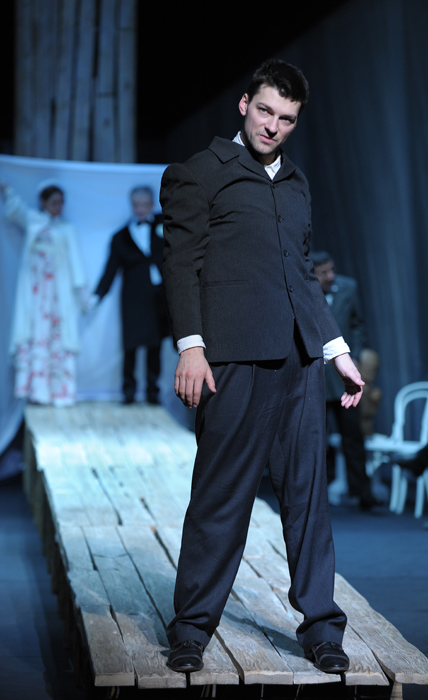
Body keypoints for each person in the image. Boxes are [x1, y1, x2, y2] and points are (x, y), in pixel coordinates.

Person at [160, 58, 365, 676]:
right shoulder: (200, 173)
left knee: (307, 500)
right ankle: (192, 627)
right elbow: (181, 264)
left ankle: (322, 627)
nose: (273, 126)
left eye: (287, 119)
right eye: (266, 111)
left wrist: (336, 351)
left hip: (299, 363)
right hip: (232, 361)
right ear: (245, 105)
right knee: (220, 496)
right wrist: (190, 346)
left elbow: (302, 275)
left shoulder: (296, 184)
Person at [0, 182, 87, 406]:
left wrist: (82, 292)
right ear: (43, 202)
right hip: (36, 294)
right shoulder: (34, 221)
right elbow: (17, 209)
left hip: (58, 294)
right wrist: (7, 189)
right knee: (36, 334)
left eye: (61, 202)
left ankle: (61, 392)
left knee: (59, 337)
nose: (58, 207)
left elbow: (75, 261)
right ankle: (38, 391)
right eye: (54, 202)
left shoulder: (66, 229)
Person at [310, 252, 381, 510]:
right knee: (317, 437)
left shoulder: (347, 288)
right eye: (324, 272)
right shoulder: (304, 291)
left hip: (344, 375)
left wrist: (356, 356)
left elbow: (358, 324)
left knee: (353, 434)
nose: (330, 276)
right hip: (315, 376)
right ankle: (318, 494)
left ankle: (362, 492)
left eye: (332, 270)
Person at [89, 186, 169, 404]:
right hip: (133, 298)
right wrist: (97, 295)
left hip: (157, 297)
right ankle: (128, 391)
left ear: (152, 205)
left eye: (145, 204)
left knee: (155, 345)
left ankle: (153, 391)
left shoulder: (164, 225)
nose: (140, 209)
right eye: (136, 204)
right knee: (131, 345)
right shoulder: (120, 237)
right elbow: (110, 270)